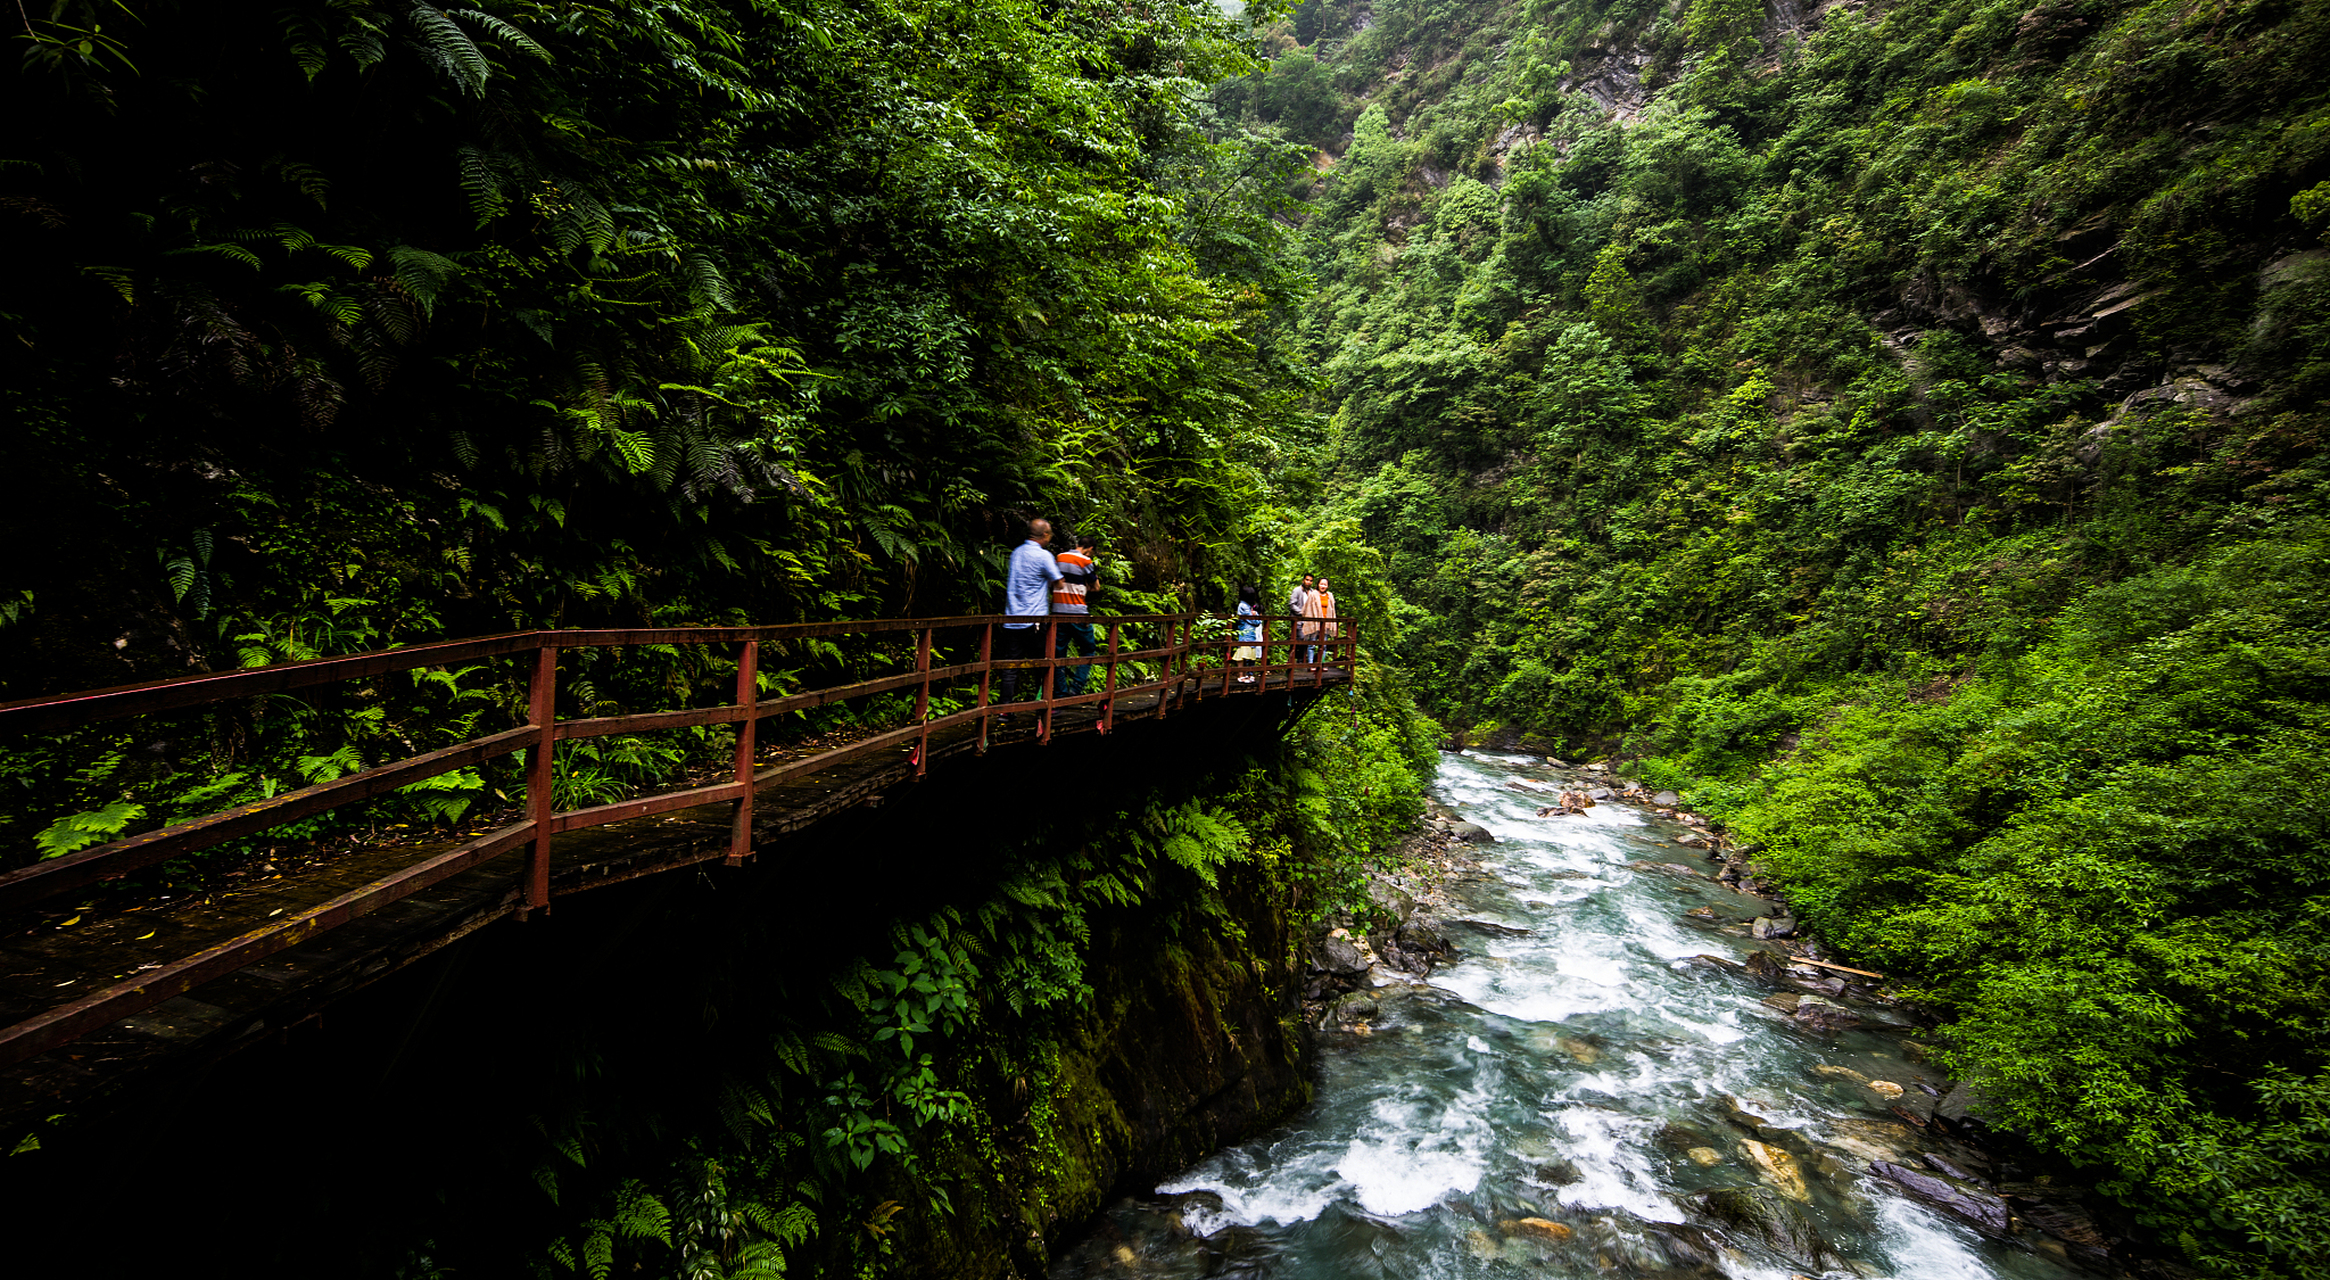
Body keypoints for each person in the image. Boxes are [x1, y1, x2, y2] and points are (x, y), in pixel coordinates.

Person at [998, 518, 1061, 705]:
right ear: (1045, 535)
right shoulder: (1044, 556)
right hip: (1034, 621)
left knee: (1010, 666)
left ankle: (1005, 708)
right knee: (1044, 663)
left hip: (1012, 619)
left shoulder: (1016, 553)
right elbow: (1058, 581)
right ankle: (1047, 705)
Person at [1052, 533, 1099, 696]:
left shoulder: (1060, 557)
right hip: (1078, 612)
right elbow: (1096, 586)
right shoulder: (1085, 561)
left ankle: (1060, 693)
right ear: (1090, 549)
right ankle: (1076, 688)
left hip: (1058, 612)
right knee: (1088, 649)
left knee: (1058, 654)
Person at [1233, 584, 1262, 683]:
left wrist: (1256, 615)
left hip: (1251, 635)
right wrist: (1255, 615)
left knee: (1249, 656)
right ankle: (1241, 675)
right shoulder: (1243, 606)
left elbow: (1257, 621)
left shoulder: (1249, 606)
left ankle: (1247, 675)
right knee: (1242, 655)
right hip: (1244, 634)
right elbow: (1254, 620)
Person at [1313, 575, 1340, 669]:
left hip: (1326, 623)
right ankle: (1311, 665)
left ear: (1327, 586)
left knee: (1323, 646)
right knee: (1312, 644)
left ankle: (1321, 664)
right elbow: (1308, 608)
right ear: (1318, 584)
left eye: (1325, 584)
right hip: (1314, 623)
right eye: (1321, 584)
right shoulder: (1313, 594)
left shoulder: (1330, 596)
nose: (1323, 586)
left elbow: (1332, 609)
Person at [1288, 573, 1315, 665]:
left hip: (1308, 621)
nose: (1308, 582)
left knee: (1306, 640)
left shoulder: (1311, 592)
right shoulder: (1297, 590)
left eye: (1310, 581)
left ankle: (1301, 661)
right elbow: (1292, 604)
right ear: (1303, 580)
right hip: (1298, 620)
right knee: (1299, 639)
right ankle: (1293, 661)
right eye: (1307, 580)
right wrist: (1302, 613)